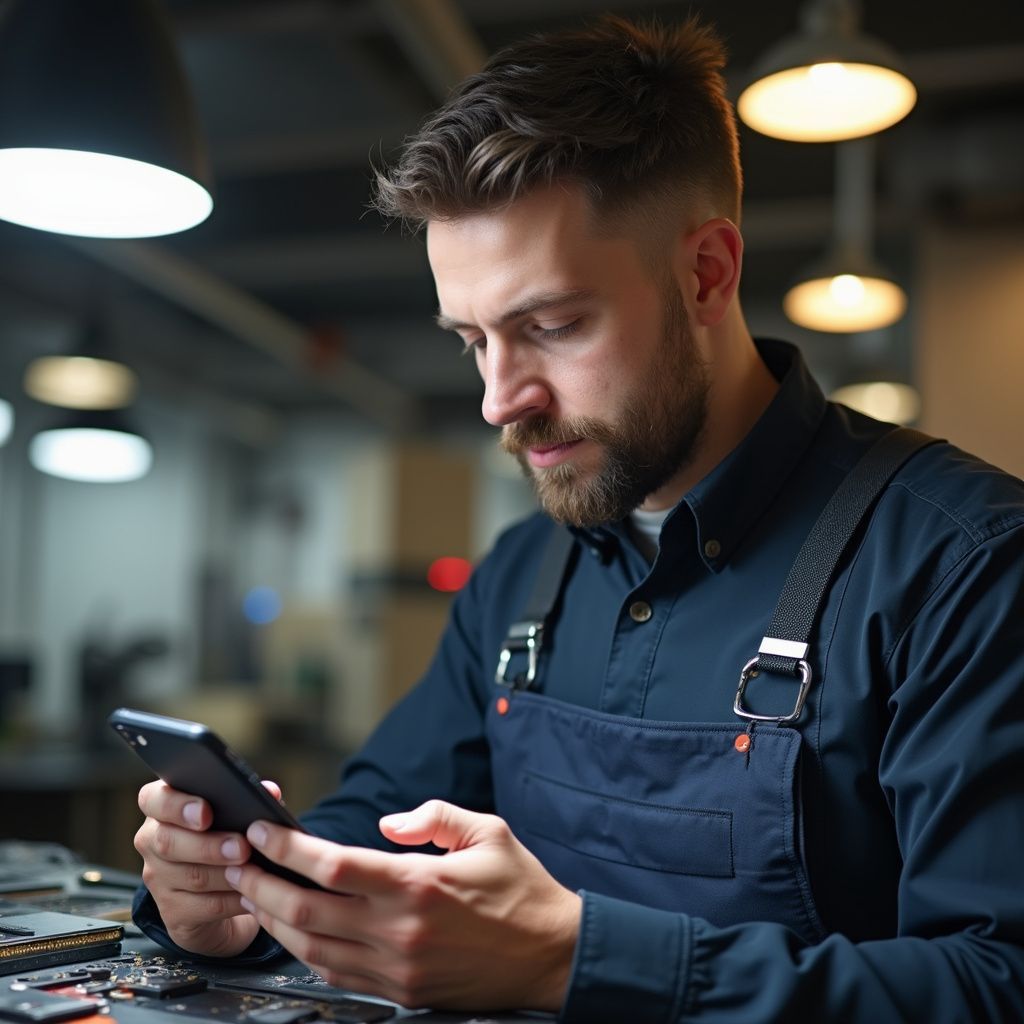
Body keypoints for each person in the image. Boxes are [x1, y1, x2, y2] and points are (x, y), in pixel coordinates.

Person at [132, 14, 1024, 1021]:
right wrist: (241, 896)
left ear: (706, 274)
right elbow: (368, 829)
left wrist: (578, 960)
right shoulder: (520, 575)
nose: (498, 399)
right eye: (472, 339)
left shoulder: (966, 569)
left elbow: (998, 983)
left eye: (548, 327)